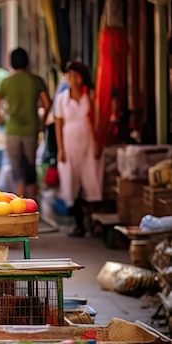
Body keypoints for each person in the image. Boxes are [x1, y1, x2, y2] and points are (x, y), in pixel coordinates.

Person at [0, 47, 52, 198]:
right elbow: (47, 104)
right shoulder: (36, 80)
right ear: (27, 61)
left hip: (12, 130)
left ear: (11, 63)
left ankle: (19, 201)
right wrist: (43, 122)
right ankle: (32, 202)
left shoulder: (6, 82)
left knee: (16, 168)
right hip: (31, 129)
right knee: (30, 166)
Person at [55, 61, 102, 237]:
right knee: (70, 182)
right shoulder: (62, 99)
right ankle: (79, 224)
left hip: (89, 143)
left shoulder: (90, 96)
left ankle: (93, 222)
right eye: (70, 75)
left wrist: (98, 144)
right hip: (69, 144)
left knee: (92, 180)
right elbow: (58, 124)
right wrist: (60, 149)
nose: (73, 79)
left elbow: (97, 122)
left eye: (76, 75)